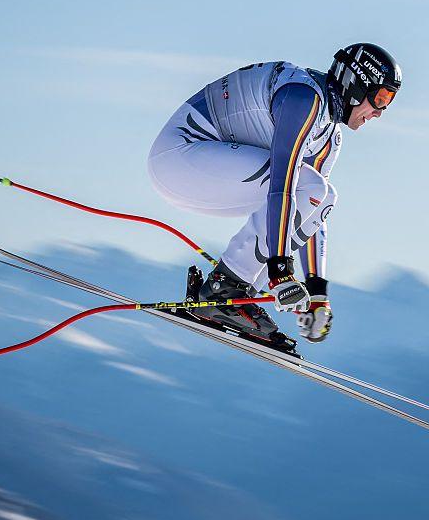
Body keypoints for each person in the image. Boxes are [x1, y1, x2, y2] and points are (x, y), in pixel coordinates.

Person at [147, 43, 402, 350]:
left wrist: (317, 293)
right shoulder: (303, 98)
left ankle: (236, 295)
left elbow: (312, 208)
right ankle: (223, 290)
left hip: (204, 171)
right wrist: (280, 269)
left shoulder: (328, 136)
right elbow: (283, 184)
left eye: (389, 102)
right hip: (180, 157)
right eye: (381, 98)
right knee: (309, 187)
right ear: (354, 83)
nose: (380, 112)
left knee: (323, 196)